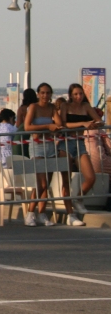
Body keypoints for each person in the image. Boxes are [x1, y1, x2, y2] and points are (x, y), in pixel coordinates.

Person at [24, 82, 83, 226]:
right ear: (38, 94)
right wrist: (46, 127)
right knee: (41, 183)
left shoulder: (51, 108)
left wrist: (53, 125)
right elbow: (27, 127)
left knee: (47, 183)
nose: (45, 95)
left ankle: (42, 214)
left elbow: (59, 125)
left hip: (50, 148)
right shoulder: (33, 107)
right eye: (42, 92)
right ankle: (30, 213)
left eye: (48, 93)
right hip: (37, 148)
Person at [60, 83, 101, 217]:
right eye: (76, 94)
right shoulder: (65, 106)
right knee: (66, 180)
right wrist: (83, 123)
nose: (78, 97)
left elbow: (99, 120)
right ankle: (69, 213)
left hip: (80, 142)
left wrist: (96, 123)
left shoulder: (86, 106)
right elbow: (63, 124)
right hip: (66, 142)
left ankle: (78, 199)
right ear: (70, 95)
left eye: (81, 94)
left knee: (90, 177)